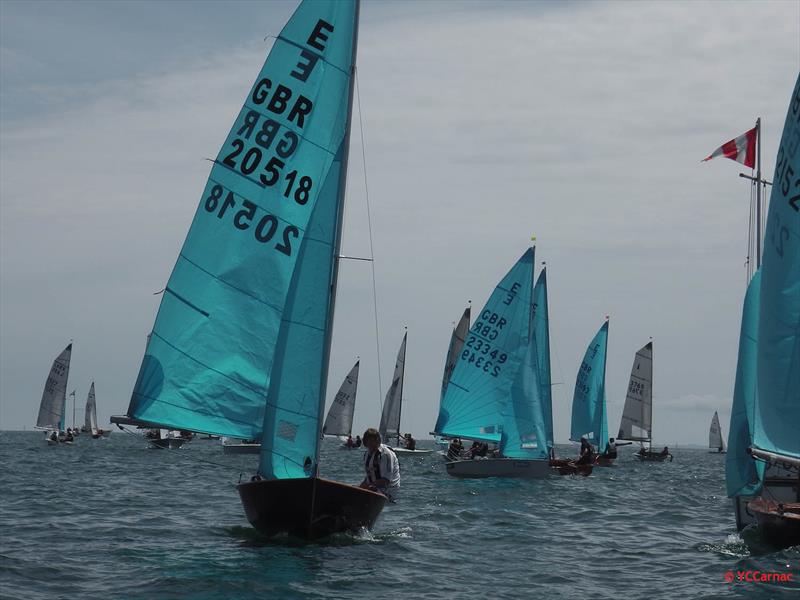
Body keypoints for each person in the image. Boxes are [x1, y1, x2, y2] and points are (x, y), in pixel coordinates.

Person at [359, 428, 400, 501]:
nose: (373, 443)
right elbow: (369, 478)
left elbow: (386, 480)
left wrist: (367, 487)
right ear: (366, 442)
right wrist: (359, 488)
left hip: (388, 492)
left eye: (375, 441)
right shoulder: (367, 454)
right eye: (370, 441)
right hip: (373, 488)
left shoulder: (385, 454)